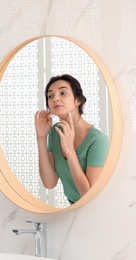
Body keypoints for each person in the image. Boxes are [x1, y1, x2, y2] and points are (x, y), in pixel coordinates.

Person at [34, 74, 109, 204]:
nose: (55, 99)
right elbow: (49, 182)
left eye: (63, 93)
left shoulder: (97, 140)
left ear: (78, 100)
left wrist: (69, 150)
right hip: (73, 212)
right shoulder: (55, 132)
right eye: (50, 96)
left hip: (98, 211)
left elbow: (88, 196)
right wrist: (41, 137)